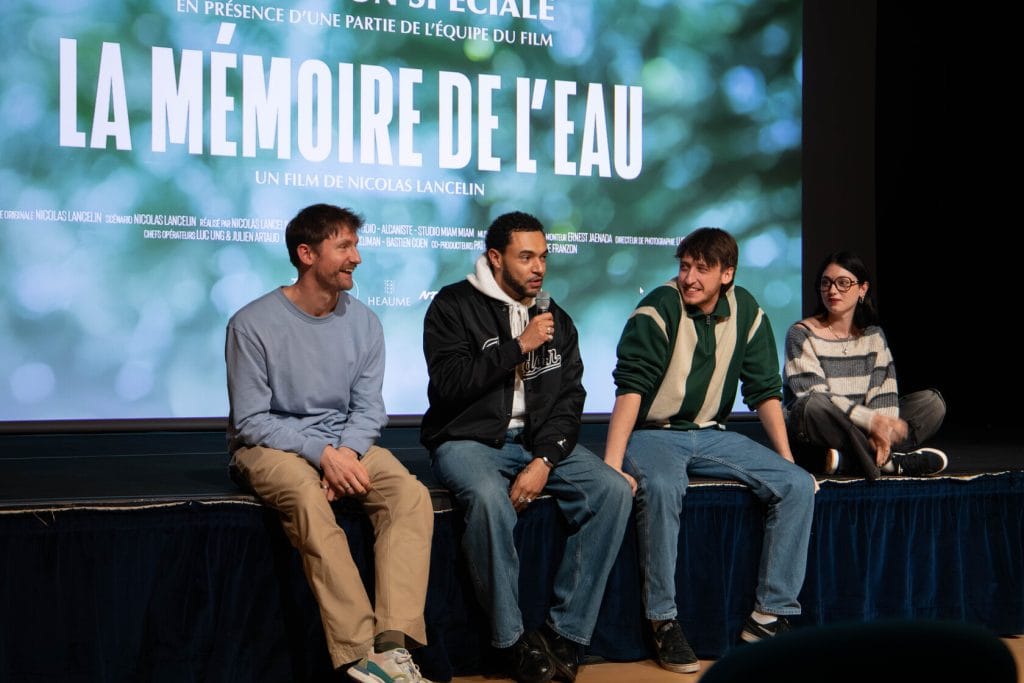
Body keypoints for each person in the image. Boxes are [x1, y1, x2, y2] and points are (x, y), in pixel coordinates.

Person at [225, 203, 434, 682]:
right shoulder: (251, 323)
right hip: (271, 447)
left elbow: (369, 409)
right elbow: (253, 421)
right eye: (344, 245)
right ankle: (360, 652)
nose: (356, 257)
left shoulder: (364, 323)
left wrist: (344, 454)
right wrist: (322, 457)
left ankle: (392, 646)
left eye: (355, 245)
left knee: (410, 494)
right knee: (305, 495)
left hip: (343, 442)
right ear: (305, 254)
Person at [421, 211, 632, 683]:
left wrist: (544, 459)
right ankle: (510, 641)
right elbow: (450, 385)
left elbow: (570, 398)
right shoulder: (453, 305)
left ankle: (565, 635)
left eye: (543, 257)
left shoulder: (556, 317)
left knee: (613, 492)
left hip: (536, 443)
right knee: (490, 502)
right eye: (526, 257)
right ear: (495, 258)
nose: (539, 267)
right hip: (467, 440)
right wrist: (518, 346)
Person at [602, 227, 816, 674]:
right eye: (684, 267)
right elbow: (631, 389)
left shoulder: (748, 310)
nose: (689, 278)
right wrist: (611, 465)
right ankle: (663, 620)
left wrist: (787, 459)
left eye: (702, 269)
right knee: (662, 486)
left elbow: (763, 392)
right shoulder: (658, 307)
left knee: (796, 484)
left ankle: (769, 616)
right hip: (654, 434)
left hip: (712, 434)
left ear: (726, 274)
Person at [783, 251, 947, 479]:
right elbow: (814, 393)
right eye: (826, 283)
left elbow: (884, 393)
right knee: (811, 405)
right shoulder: (801, 333)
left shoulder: (873, 336)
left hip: (864, 427)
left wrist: (882, 428)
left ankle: (850, 460)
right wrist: (872, 421)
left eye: (843, 283)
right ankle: (890, 464)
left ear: (862, 289)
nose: (832, 290)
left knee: (931, 404)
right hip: (824, 426)